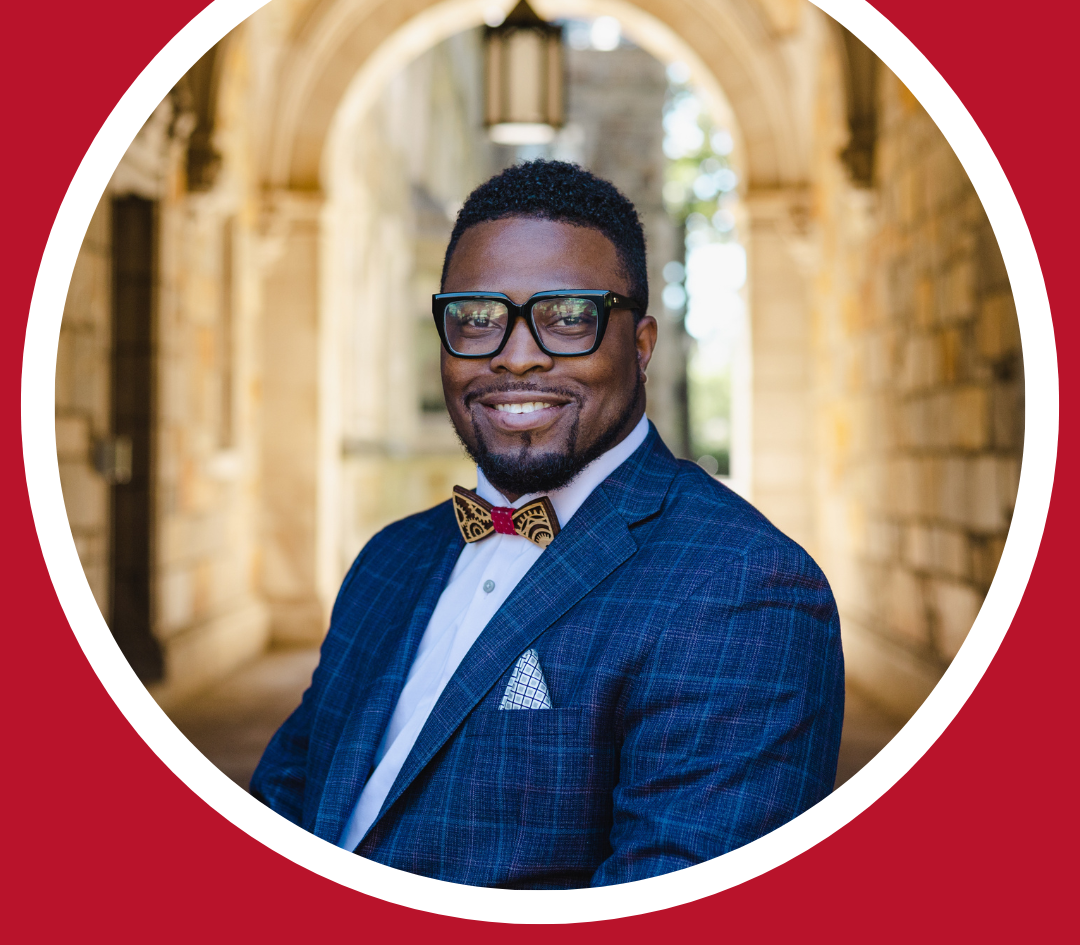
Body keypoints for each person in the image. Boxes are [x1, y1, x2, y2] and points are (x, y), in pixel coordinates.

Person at [251, 159, 844, 888]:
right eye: (477, 318)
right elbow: (283, 801)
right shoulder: (388, 559)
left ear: (642, 343)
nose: (516, 356)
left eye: (568, 318)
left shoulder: (744, 588)